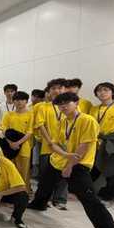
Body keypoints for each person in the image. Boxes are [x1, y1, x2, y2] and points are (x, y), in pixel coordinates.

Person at [28, 92, 114, 228]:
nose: (63, 107)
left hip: (78, 165)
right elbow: (55, 144)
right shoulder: (63, 121)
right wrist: (64, 155)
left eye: (67, 103)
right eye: (60, 105)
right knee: (45, 183)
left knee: (91, 202)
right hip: (58, 160)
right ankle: (39, 203)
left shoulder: (87, 121)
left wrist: (69, 165)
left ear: (76, 103)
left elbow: (83, 147)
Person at [34, 78, 68, 209]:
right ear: (49, 91)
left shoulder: (71, 106)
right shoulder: (43, 107)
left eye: (60, 88)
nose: (57, 91)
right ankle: (45, 199)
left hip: (66, 147)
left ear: (64, 89)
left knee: (64, 174)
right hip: (48, 146)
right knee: (45, 174)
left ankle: (60, 199)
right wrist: (49, 141)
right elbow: (40, 125)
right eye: (53, 88)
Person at [0, 91, 34, 191]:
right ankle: (11, 193)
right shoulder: (8, 115)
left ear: (26, 101)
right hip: (9, 147)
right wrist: (10, 143)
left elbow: (29, 132)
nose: (19, 102)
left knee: (24, 172)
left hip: (24, 147)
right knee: (10, 171)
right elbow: (2, 130)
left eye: (22, 100)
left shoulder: (30, 115)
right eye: (17, 100)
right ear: (13, 101)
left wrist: (17, 143)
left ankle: (24, 192)